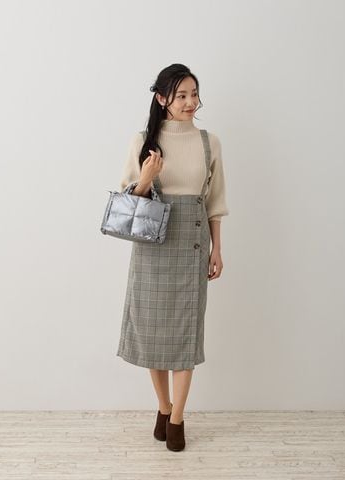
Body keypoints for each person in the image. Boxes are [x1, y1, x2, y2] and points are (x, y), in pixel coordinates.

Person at [116, 64, 229, 451]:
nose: (190, 102)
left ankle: (177, 418)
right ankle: (163, 407)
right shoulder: (143, 141)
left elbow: (215, 202)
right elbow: (128, 202)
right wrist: (147, 177)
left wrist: (217, 249)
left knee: (185, 335)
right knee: (153, 333)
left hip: (193, 247)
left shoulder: (210, 142)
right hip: (152, 249)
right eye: (181, 95)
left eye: (194, 94)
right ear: (162, 98)